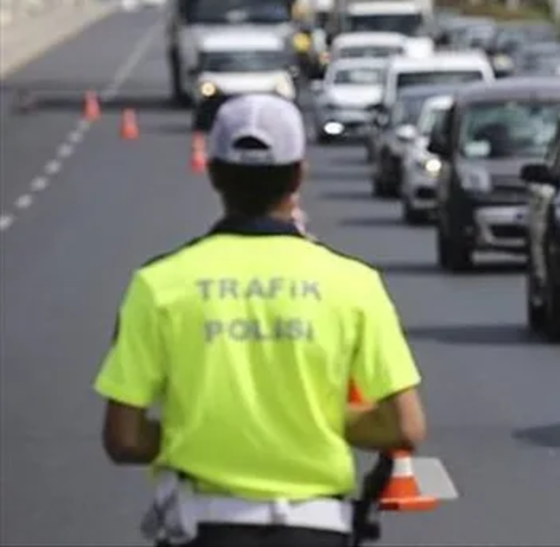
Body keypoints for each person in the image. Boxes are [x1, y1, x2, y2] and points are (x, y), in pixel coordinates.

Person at [93, 93, 427, 547]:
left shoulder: (159, 285)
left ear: (212, 173)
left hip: (202, 528)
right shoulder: (354, 284)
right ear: (299, 175)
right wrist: (313, 418)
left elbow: (123, 438)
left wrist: (205, 430)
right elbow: (404, 427)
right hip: (318, 527)